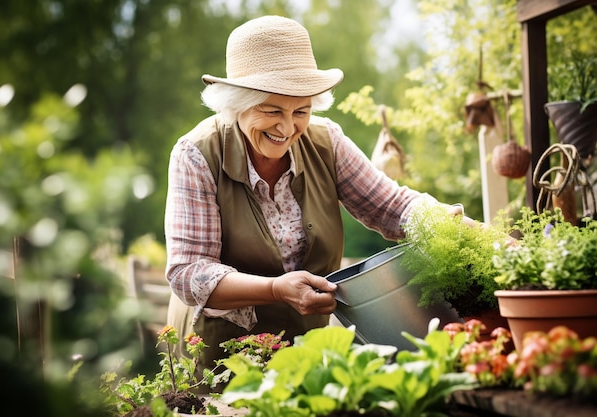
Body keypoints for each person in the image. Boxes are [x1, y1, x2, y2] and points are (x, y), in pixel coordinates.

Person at [164, 15, 471, 390]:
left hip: (304, 351)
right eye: (272, 110)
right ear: (236, 105)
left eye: (302, 111)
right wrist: (276, 288)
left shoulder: (328, 142)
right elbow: (188, 272)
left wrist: (455, 225)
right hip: (222, 359)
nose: (287, 128)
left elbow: (392, 207)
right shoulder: (197, 154)